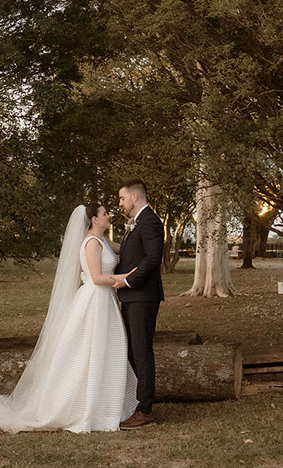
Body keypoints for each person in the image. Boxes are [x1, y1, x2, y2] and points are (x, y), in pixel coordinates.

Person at [0, 203, 137, 433]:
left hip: (106, 302)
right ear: (94, 220)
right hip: (95, 300)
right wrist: (126, 277)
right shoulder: (90, 243)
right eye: (104, 214)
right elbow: (97, 278)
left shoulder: (103, 241)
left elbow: (125, 249)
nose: (109, 216)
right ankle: (84, 407)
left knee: (108, 350)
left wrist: (136, 232)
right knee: (89, 351)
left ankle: (108, 403)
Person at [114, 179, 163, 429]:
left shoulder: (150, 221)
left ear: (134, 197)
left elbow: (154, 258)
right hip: (133, 298)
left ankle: (145, 409)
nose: (120, 203)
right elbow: (130, 252)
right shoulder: (138, 223)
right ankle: (139, 400)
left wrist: (128, 281)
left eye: (122, 198)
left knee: (142, 352)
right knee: (133, 351)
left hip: (142, 296)